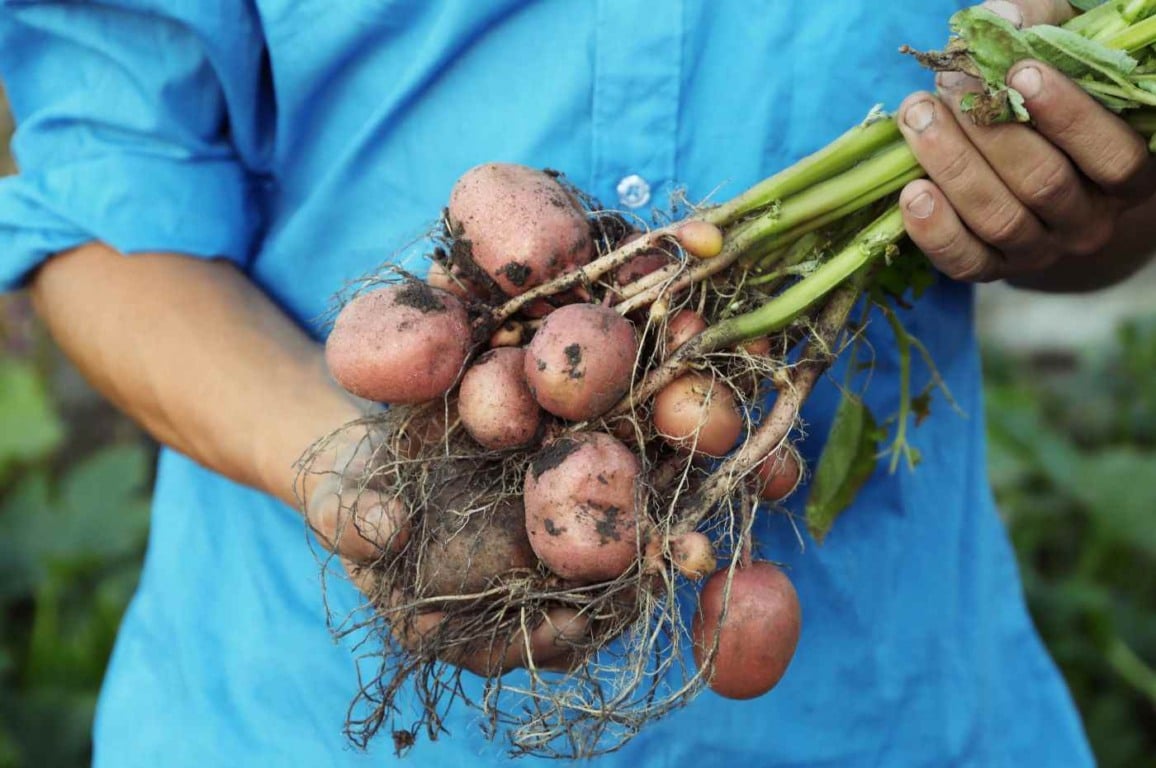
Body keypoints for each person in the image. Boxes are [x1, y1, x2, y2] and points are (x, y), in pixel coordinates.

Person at [0, 0, 1150, 764]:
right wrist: (355, 478)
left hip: (883, 707)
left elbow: (1105, 214)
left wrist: (1074, 202)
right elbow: (101, 197)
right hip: (281, 708)